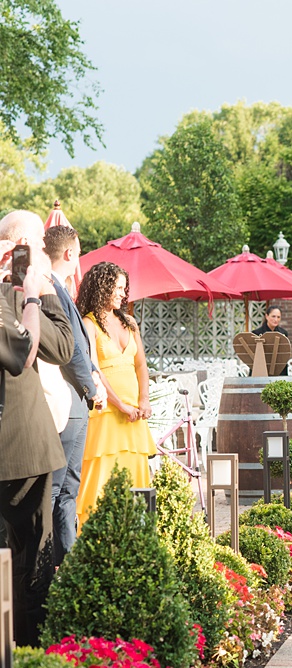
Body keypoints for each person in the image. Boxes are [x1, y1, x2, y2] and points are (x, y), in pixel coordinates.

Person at [0, 210, 74, 646]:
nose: (42, 253)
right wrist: (37, 293)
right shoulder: (12, 295)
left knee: (17, 555)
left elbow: (61, 346)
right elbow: (41, 349)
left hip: (24, 444)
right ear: (19, 243)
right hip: (21, 445)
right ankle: (32, 648)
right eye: (36, 245)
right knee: (34, 556)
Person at [43, 225, 107, 565]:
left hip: (78, 402)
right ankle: (44, 567)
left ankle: (67, 563)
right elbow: (70, 351)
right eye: (79, 251)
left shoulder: (62, 288)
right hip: (67, 400)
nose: (79, 257)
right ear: (69, 253)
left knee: (70, 488)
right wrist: (91, 386)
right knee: (55, 489)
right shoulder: (50, 287)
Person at [76, 262, 157, 528]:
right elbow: (94, 369)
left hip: (134, 417)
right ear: (103, 287)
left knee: (136, 480)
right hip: (107, 416)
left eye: (124, 288)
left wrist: (143, 400)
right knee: (100, 478)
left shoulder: (129, 321)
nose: (124, 294)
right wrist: (120, 404)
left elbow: (141, 365)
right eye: (118, 288)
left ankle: (136, 536)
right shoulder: (88, 323)